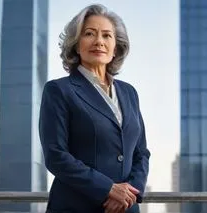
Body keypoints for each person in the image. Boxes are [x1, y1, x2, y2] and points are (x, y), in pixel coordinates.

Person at [39, 4, 151, 213]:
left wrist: (130, 194)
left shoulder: (129, 93)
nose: (99, 41)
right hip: (76, 207)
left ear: (115, 47)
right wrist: (108, 189)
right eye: (89, 34)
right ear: (76, 44)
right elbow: (56, 155)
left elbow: (141, 153)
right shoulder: (59, 90)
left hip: (125, 209)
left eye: (107, 35)